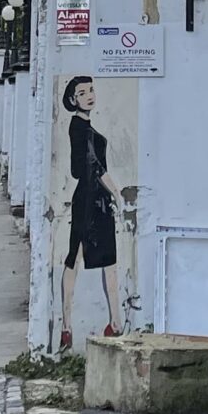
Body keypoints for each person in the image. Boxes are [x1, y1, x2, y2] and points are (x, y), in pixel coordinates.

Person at [58, 75, 120, 350]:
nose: (90, 95)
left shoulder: (84, 127)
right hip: (91, 199)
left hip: (94, 199)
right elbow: (93, 166)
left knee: (93, 259)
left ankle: (108, 323)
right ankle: (70, 324)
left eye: (91, 90)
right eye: (82, 93)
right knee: (80, 257)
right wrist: (117, 193)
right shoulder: (80, 129)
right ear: (73, 100)